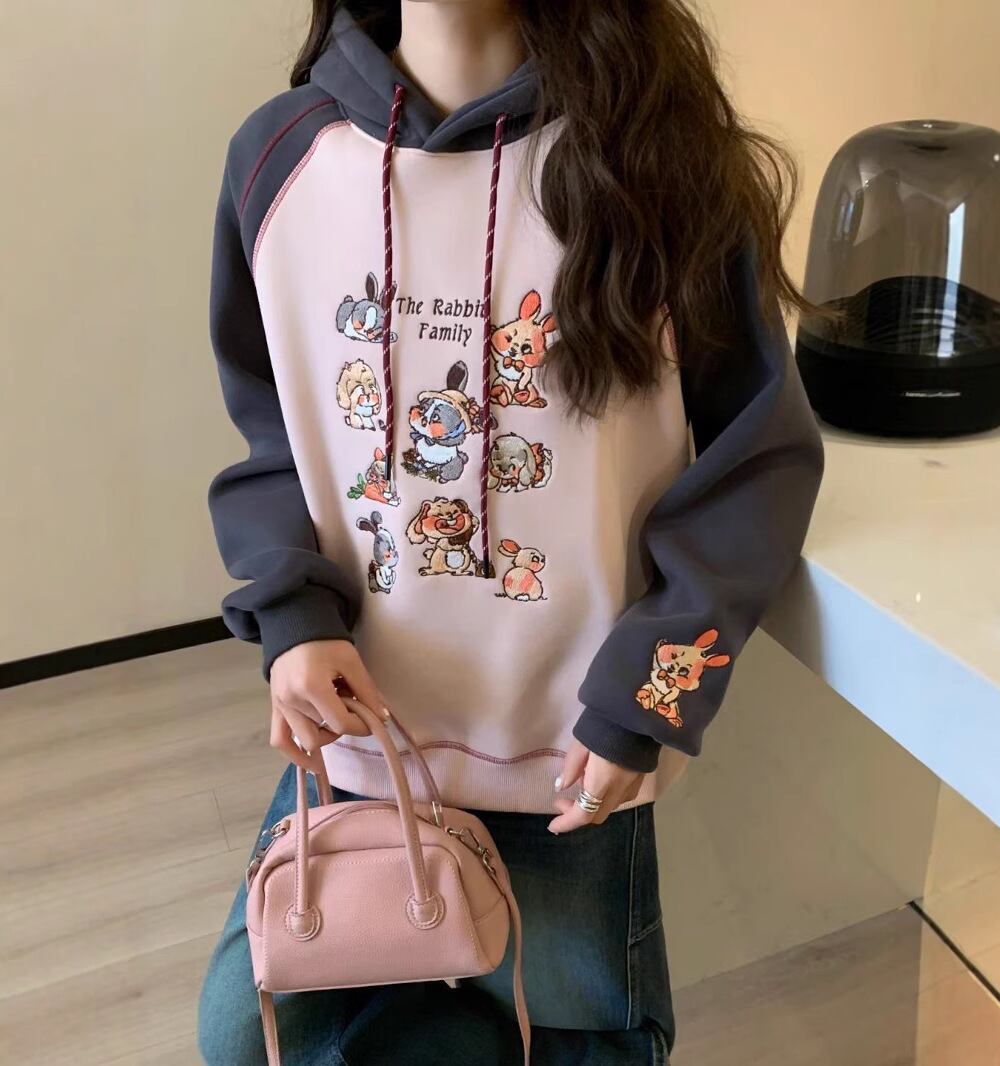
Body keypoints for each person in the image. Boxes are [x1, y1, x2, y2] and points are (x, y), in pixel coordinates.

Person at [197, 1, 825, 1063]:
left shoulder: (663, 162)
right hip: (365, 745)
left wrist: (648, 692)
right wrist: (292, 619)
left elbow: (756, 461)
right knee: (254, 1038)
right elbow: (274, 436)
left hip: (573, 761)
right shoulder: (277, 161)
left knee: (573, 1045)